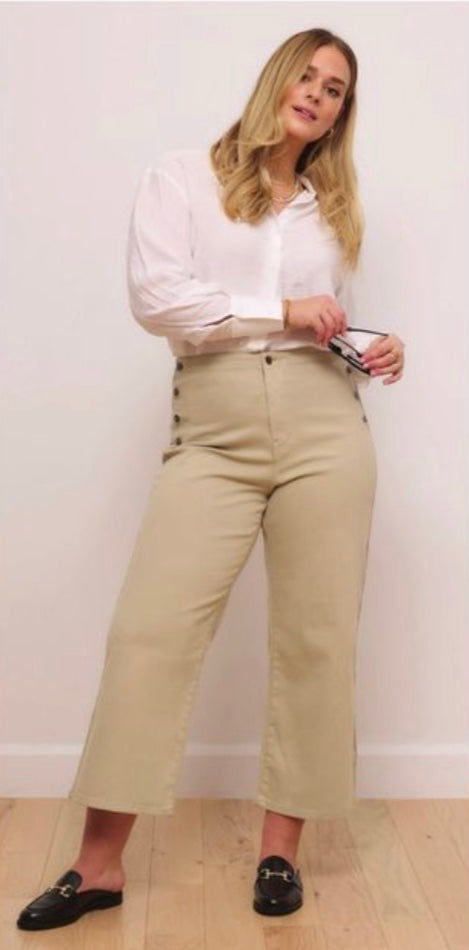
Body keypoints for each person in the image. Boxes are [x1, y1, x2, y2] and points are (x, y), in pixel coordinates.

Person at [17, 27, 405, 931]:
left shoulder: (331, 207)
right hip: (216, 430)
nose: (316, 94)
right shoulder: (182, 177)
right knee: (148, 635)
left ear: (341, 113)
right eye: (306, 76)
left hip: (324, 425)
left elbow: (320, 323)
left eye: (335, 89)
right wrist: (281, 309)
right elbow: (159, 300)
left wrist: (371, 344)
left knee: (315, 641)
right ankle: (98, 866)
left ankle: (279, 854)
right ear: (275, 80)